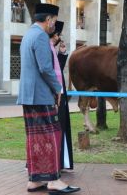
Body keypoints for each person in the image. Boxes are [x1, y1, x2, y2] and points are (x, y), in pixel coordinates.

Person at [17, 3, 80, 194]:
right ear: (49, 19)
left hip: (29, 96)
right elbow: (45, 68)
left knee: (35, 139)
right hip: (41, 95)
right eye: (53, 20)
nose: (54, 24)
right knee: (51, 137)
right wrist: (58, 88)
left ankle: (35, 180)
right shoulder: (41, 37)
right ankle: (53, 180)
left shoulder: (28, 34)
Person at [49, 21, 74, 171]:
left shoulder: (51, 48)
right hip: (53, 95)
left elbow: (55, 69)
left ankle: (60, 161)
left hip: (59, 93)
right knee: (55, 128)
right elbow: (48, 72)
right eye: (58, 35)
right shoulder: (45, 47)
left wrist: (62, 53)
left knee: (61, 126)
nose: (59, 38)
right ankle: (54, 163)